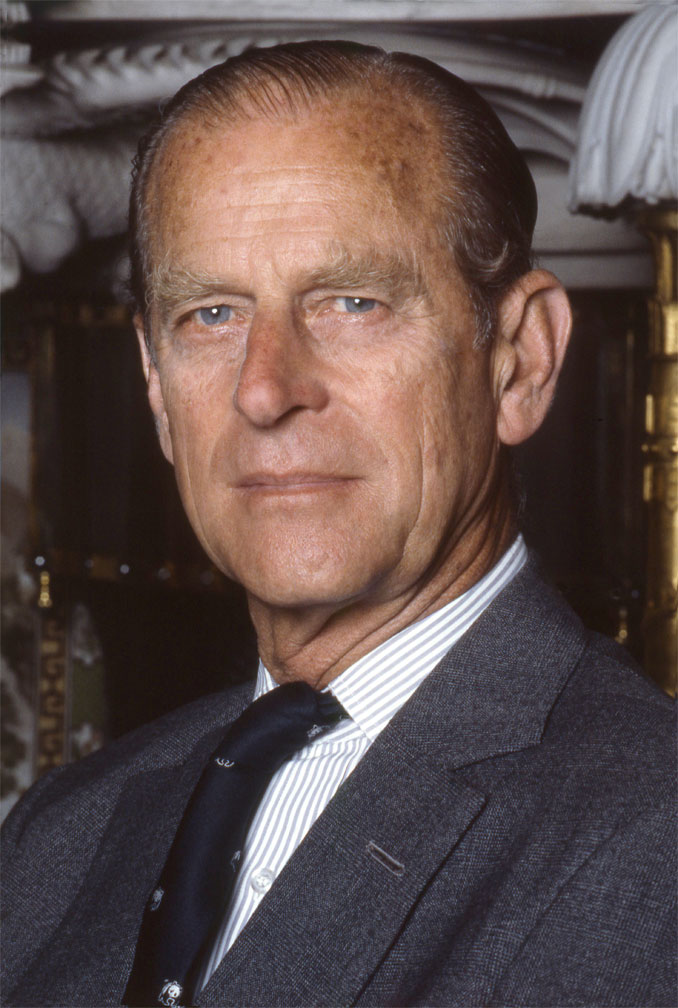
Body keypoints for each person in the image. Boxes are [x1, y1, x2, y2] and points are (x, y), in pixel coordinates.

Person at [1, 40, 675, 1008]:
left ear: (520, 362)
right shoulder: (56, 840)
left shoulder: (654, 853)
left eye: (353, 302)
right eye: (212, 315)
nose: (267, 389)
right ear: (155, 389)